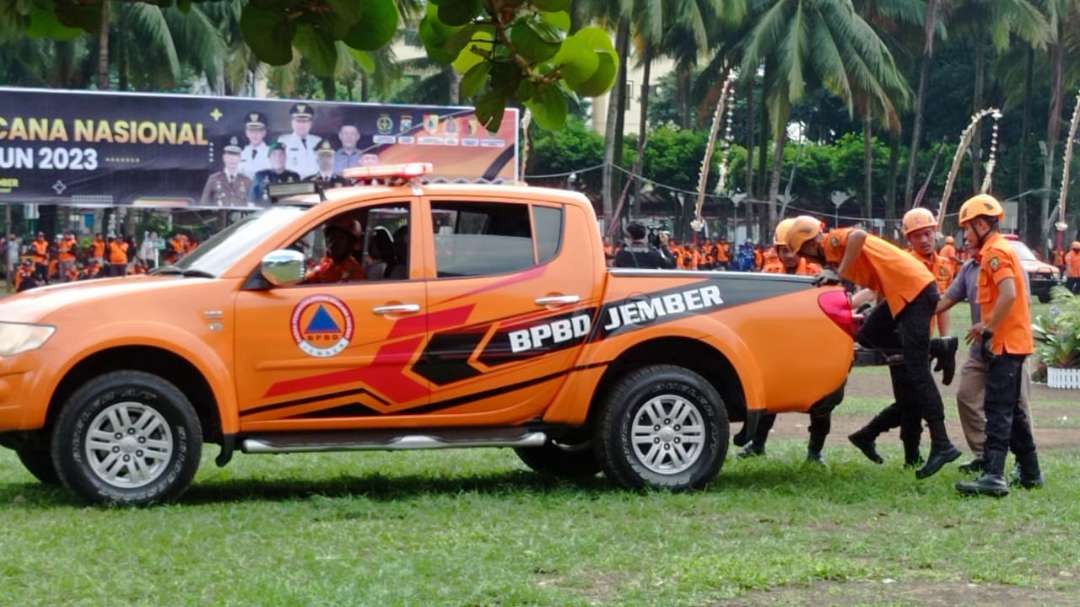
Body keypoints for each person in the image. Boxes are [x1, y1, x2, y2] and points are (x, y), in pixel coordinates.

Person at [786, 215, 961, 479]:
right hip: (899, 294)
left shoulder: (832, 240)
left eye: (805, 253)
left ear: (810, 243)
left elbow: (858, 236)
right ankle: (935, 348)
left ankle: (942, 443)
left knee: (917, 372)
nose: (809, 260)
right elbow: (877, 276)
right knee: (868, 334)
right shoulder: (832, 251)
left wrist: (838, 272)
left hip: (915, 292)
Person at [954, 195, 1043, 497]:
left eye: (967, 228)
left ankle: (993, 476)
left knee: (998, 411)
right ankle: (1031, 474)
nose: (965, 235)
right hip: (1010, 344)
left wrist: (988, 326)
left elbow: (1009, 293)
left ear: (981, 224)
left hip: (1006, 345)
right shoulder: (995, 251)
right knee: (1012, 412)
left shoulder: (995, 253)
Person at [737, 218, 831, 463]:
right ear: (776, 250)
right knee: (771, 399)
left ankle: (814, 452)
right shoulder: (768, 273)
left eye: (792, 249)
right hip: (777, 348)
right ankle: (757, 445)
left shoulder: (816, 272)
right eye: (783, 250)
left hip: (811, 347)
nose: (788, 255)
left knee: (821, 402)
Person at [937, 240, 1033, 474]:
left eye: (970, 232)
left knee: (1017, 405)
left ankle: (1025, 463)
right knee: (966, 396)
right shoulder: (969, 269)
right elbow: (948, 299)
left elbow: (1020, 300)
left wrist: (990, 324)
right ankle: (984, 455)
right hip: (981, 347)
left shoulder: (1006, 261)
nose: (966, 241)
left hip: (1009, 346)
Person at [902, 208, 955, 336]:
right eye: (917, 236)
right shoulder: (902, 264)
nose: (924, 240)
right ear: (909, 239)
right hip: (903, 335)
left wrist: (945, 339)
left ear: (935, 233)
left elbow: (943, 306)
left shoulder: (945, 266)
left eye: (927, 233)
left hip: (926, 337)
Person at [305, 216, 365, 284]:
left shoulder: (355, 271)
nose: (334, 242)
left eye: (341, 238)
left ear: (350, 244)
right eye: (331, 236)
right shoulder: (325, 264)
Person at [201, 136, 253, 207]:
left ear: (240, 158)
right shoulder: (213, 179)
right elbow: (204, 204)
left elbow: (252, 205)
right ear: (224, 157)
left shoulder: (247, 181)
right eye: (229, 155)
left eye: (235, 155)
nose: (232, 159)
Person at [277, 102, 321, 179]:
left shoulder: (318, 141)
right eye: (298, 121)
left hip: (314, 183)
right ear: (292, 123)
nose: (301, 125)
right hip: (291, 183)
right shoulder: (283, 141)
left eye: (304, 121)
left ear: (310, 123)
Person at [239, 111, 271, 180]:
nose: (254, 135)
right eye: (251, 131)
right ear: (246, 133)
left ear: (264, 133)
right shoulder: (241, 154)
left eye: (258, 131)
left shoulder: (272, 153)